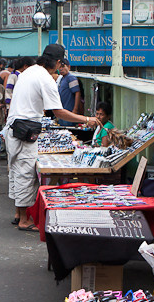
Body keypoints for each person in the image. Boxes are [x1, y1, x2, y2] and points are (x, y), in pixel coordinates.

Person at [6, 44, 99, 231]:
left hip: (13, 128)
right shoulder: (45, 79)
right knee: (26, 174)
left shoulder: (29, 71)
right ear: (57, 62)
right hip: (25, 131)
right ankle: (24, 219)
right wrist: (87, 119)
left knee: (16, 171)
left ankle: (18, 213)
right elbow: (59, 112)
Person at [56, 59, 82, 126]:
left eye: (63, 67)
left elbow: (77, 93)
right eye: (59, 67)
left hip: (69, 112)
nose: (61, 69)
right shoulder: (62, 79)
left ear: (69, 67)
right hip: (63, 112)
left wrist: (75, 110)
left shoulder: (71, 78)